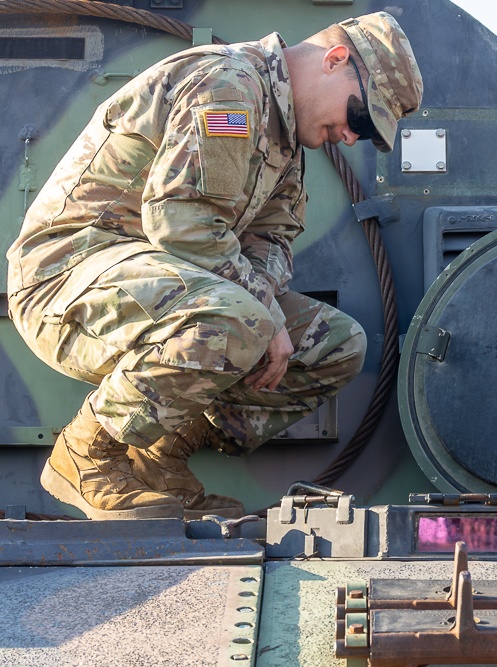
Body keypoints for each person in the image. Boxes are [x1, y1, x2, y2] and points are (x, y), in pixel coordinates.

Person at [6, 12, 423, 521]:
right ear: (337, 61)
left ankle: (160, 455)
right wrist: (261, 316)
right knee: (236, 317)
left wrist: (264, 306)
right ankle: (86, 453)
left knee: (336, 345)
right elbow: (182, 222)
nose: (353, 137)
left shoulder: (285, 134)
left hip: (160, 286)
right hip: (66, 278)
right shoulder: (230, 86)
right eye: (359, 118)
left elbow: (272, 238)